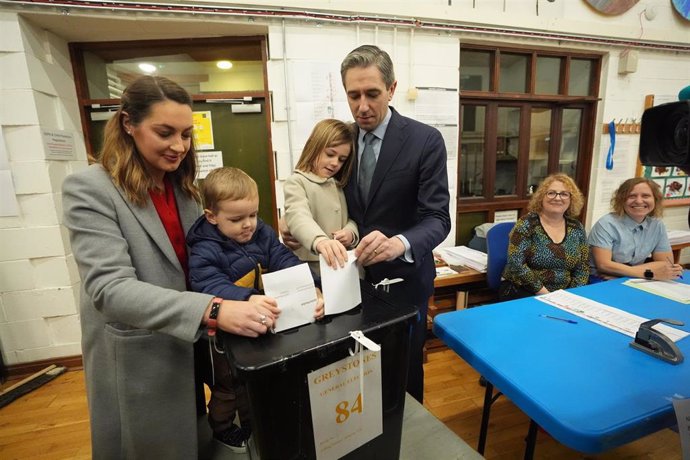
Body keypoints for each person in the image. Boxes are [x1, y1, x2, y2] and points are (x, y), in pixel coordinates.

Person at [62, 76, 279, 459]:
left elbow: (212, 258)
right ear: (128, 123)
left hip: (189, 347)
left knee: (192, 441)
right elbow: (109, 290)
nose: (179, 146)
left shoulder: (184, 190)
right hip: (140, 358)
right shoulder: (90, 189)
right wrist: (213, 308)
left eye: (186, 134)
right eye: (165, 133)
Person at [283, 45, 451, 403]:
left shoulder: (424, 141)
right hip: (346, 282)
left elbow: (437, 217)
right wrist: (296, 228)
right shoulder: (341, 142)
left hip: (404, 282)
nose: (362, 106)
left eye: (372, 94)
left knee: (403, 375)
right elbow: (317, 194)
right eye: (353, 95)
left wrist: (400, 244)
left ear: (391, 89)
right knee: (352, 373)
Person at [186, 166, 324, 452]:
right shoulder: (204, 248)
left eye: (252, 214)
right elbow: (207, 284)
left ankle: (252, 422)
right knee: (228, 389)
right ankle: (223, 429)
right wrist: (248, 297)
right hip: (220, 340)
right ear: (211, 216)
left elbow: (282, 256)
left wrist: (312, 284)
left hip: (255, 323)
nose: (248, 224)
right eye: (236, 219)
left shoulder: (259, 231)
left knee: (253, 381)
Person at [283, 119, 359, 275]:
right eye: (330, 154)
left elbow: (349, 218)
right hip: (312, 266)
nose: (335, 163)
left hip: (341, 263)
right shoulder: (297, 181)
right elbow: (298, 215)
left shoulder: (337, 184)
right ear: (314, 147)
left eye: (342, 160)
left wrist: (350, 233)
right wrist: (320, 241)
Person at [500, 173, 589, 300]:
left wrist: (572, 296)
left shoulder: (577, 227)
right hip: (524, 290)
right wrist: (546, 295)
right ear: (541, 197)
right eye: (551, 193)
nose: (558, 198)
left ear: (571, 199)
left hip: (565, 294)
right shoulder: (526, 224)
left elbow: (583, 267)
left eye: (564, 194)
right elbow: (516, 264)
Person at [589, 177, 683, 281]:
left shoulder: (657, 225)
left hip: (629, 278)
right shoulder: (606, 224)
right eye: (632, 196)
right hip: (599, 280)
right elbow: (604, 265)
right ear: (621, 200)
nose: (639, 201)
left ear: (655, 200)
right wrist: (650, 273)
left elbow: (666, 263)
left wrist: (624, 274)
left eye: (645, 196)